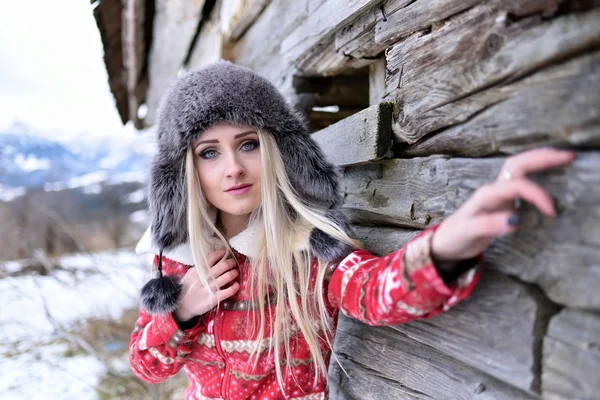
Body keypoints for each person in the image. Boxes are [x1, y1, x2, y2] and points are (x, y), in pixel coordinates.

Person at [129, 61, 575, 400]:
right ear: (185, 172)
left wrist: (447, 245)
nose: (233, 169)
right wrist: (181, 310)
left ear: (277, 151)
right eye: (209, 153)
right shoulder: (177, 261)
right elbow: (147, 366)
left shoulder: (310, 246)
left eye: (248, 144)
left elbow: (375, 291)